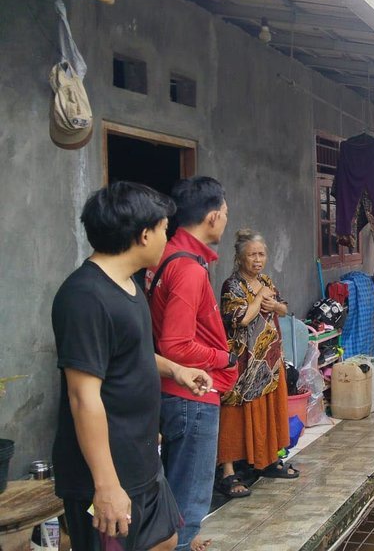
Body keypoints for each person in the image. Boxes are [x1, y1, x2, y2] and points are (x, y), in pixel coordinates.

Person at [51, 182, 213, 551]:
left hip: (140, 459)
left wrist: (176, 371)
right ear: (143, 235)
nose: (166, 239)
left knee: (166, 539)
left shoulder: (127, 284)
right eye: (163, 230)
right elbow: (82, 397)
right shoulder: (84, 297)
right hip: (107, 469)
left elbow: (130, 353)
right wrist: (106, 485)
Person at [148, 176, 234, 551]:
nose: (226, 220)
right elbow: (176, 344)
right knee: (189, 501)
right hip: (191, 396)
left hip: (176, 394)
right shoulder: (188, 268)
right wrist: (224, 358)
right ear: (213, 217)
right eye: (226, 213)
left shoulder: (167, 256)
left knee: (176, 494)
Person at [216, 229, 299, 499]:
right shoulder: (232, 285)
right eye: (251, 255)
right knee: (233, 413)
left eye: (261, 254)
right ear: (240, 258)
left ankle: (267, 460)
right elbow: (240, 318)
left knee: (270, 409)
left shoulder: (266, 279)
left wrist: (273, 303)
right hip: (243, 360)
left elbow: (284, 308)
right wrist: (260, 296)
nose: (257, 259)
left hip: (269, 359)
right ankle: (228, 472)